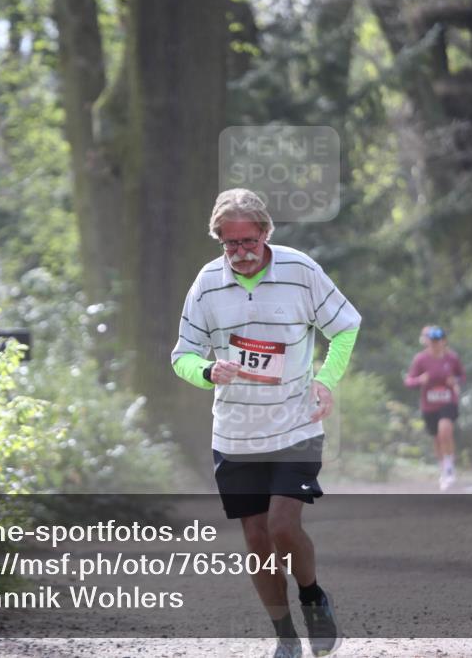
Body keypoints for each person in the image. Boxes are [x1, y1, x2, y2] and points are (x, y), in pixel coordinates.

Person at [171, 188, 360, 658]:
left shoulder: (300, 270)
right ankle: (285, 637)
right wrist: (206, 371)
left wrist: (325, 380)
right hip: (234, 433)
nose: (240, 253)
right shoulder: (207, 284)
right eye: (229, 244)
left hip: (295, 424)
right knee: (256, 538)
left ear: (266, 233)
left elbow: (345, 326)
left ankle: (313, 596)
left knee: (281, 524)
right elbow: (182, 356)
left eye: (248, 242)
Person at [405, 326, 466, 490]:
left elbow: (462, 376)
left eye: (438, 341)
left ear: (444, 341)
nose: (435, 345)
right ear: (428, 342)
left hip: (448, 401)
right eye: (432, 342)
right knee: (437, 438)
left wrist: (456, 381)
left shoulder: (452, 358)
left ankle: (449, 467)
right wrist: (420, 380)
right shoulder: (421, 359)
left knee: (445, 431)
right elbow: (409, 381)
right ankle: (444, 470)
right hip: (429, 404)